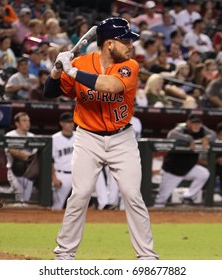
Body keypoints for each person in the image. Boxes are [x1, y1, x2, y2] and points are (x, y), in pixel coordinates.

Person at [44, 17, 158, 260]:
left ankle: (147, 257)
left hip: (122, 139)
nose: (130, 45)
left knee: (131, 194)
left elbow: (111, 87)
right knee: (80, 194)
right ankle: (64, 254)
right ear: (108, 44)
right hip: (88, 138)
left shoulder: (130, 65)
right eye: (125, 40)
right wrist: (56, 70)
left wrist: (72, 71)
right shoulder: (82, 62)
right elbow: (50, 92)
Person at [154, 113, 216, 207]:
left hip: (188, 168)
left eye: (198, 123)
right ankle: (155, 217)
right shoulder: (181, 129)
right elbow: (171, 134)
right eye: (193, 123)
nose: (196, 125)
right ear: (188, 123)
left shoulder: (202, 129)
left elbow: (213, 134)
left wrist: (207, 138)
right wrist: (189, 139)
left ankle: (188, 196)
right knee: (161, 199)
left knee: (204, 173)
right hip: (172, 171)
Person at [5, 112, 37, 205]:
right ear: (17, 123)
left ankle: (22, 218)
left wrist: (30, 157)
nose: (27, 123)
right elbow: (13, 151)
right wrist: (28, 156)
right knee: (19, 193)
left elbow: (35, 155)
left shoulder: (32, 136)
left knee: (26, 199)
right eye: (24, 120)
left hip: (29, 172)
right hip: (15, 171)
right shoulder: (11, 135)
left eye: (28, 121)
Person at [51, 112, 75, 210]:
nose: (71, 124)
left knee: (79, 204)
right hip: (62, 175)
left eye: (72, 122)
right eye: (68, 122)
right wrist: (54, 178)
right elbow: (50, 161)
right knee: (58, 206)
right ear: (61, 123)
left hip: (78, 175)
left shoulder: (79, 136)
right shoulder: (54, 138)